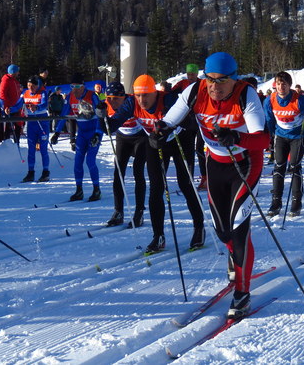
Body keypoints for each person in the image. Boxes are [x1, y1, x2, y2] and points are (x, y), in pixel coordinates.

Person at [160, 52, 269, 319]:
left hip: (245, 164)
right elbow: (169, 121)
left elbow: (263, 140)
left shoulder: (246, 94)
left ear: (234, 80)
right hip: (216, 164)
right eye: (210, 79)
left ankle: (242, 293)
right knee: (222, 232)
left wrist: (236, 137)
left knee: (239, 228)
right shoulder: (194, 91)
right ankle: (234, 256)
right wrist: (159, 133)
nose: (214, 86)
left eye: (221, 81)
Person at [103, 74, 205, 253]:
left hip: (180, 140)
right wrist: (101, 116)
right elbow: (111, 126)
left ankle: (199, 227)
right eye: (138, 95)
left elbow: (191, 123)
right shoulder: (131, 103)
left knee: (185, 184)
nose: (142, 100)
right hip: (155, 142)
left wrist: (170, 126)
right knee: (156, 187)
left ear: (155, 93)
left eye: (146, 95)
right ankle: (158, 236)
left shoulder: (168, 99)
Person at [263, 71, 304, 217]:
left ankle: (296, 202)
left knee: (294, 167)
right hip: (281, 135)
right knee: (278, 166)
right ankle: (276, 202)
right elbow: (269, 120)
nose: (281, 87)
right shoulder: (270, 100)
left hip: (298, 136)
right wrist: (269, 138)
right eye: (278, 84)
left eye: (284, 84)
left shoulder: (299, 100)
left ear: (289, 85)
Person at [51, 73, 103, 201]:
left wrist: (98, 133)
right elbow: (64, 115)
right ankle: (79, 190)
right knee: (78, 162)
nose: (75, 89)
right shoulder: (70, 97)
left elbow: (100, 117)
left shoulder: (92, 96)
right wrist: (57, 133)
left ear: (83, 86)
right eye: (72, 86)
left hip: (93, 132)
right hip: (82, 134)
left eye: (77, 86)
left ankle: (96, 189)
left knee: (90, 161)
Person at [102, 81, 146, 227]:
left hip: (140, 137)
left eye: (116, 98)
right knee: (118, 173)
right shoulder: (106, 105)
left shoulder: (132, 102)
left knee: (138, 171)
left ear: (123, 97)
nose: (111, 102)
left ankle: (139, 212)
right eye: (109, 98)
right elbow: (105, 126)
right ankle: (118, 211)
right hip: (123, 138)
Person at [171, 64, 207, 190]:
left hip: (200, 120)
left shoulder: (202, 84)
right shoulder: (182, 83)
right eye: (188, 74)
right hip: (187, 122)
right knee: (189, 151)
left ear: (197, 74)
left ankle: (205, 178)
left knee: (199, 149)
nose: (190, 76)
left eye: (192, 74)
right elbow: (170, 95)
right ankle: (189, 181)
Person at [11, 75, 51, 182]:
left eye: (32, 86)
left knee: (43, 148)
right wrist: (9, 109)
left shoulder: (42, 93)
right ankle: (30, 172)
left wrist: (36, 107)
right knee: (31, 149)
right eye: (28, 85)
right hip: (31, 124)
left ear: (37, 85)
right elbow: (18, 105)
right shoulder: (25, 93)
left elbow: (44, 104)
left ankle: (45, 172)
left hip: (42, 122)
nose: (30, 88)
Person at [0, 64, 22, 145]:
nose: (18, 73)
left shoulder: (14, 81)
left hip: (16, 107)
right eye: (17, 71)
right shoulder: (6, 80)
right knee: (8, 126)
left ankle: (17, 143)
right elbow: (2, 95)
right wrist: (6, 106)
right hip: (9, 108)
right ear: (14, 72)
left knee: (18, 125)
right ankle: (7, 144)